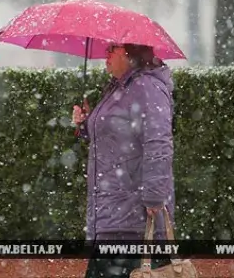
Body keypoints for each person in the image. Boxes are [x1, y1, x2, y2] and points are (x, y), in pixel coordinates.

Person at [73, 43, 176, 278]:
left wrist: (153, 196)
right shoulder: (118, 88)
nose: (106, 54)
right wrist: (86, 124)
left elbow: (158, 142)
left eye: (113, 49)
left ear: (131, 54)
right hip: (111, 215)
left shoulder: (147, 87)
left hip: (133, 219)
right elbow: (116, 137)